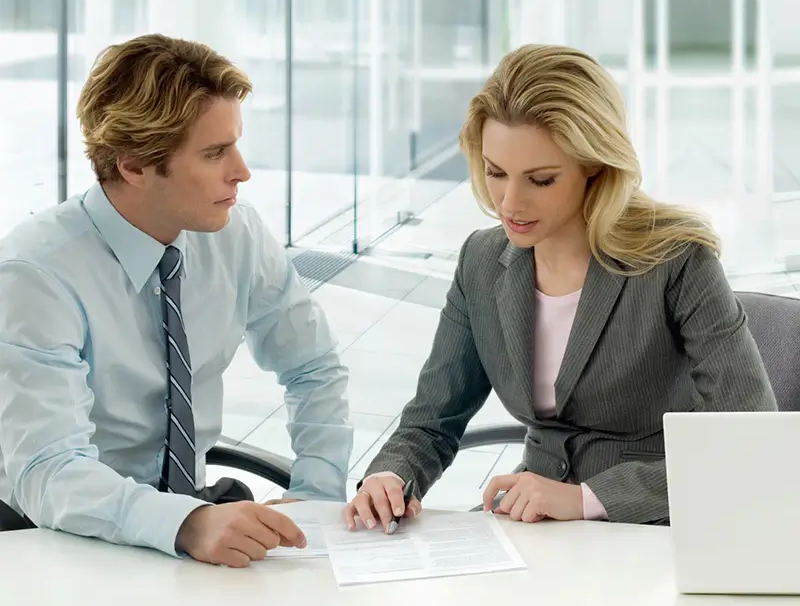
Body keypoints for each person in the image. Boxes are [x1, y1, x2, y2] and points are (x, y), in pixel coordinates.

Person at [342, 44, 777, 532]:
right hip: (536, 531)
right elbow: (431, 420)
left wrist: (585, 498)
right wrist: (389, 475)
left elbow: (750, 439)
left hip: (657, 529)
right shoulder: (482, 262)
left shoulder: (676, 262)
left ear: (594, 166)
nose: (509, 202)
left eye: (541, 180)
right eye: (495, 172)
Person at [0, 33, 353, 568]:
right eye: (214, 153)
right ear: (134, 165)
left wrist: (317, 496)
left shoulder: (236, 234)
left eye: (236, 144)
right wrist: (185, 524)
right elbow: (50, 469)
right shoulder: (36, 274)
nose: (242, 171)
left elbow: (314, 366)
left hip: (190, 517)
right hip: (52, 533)